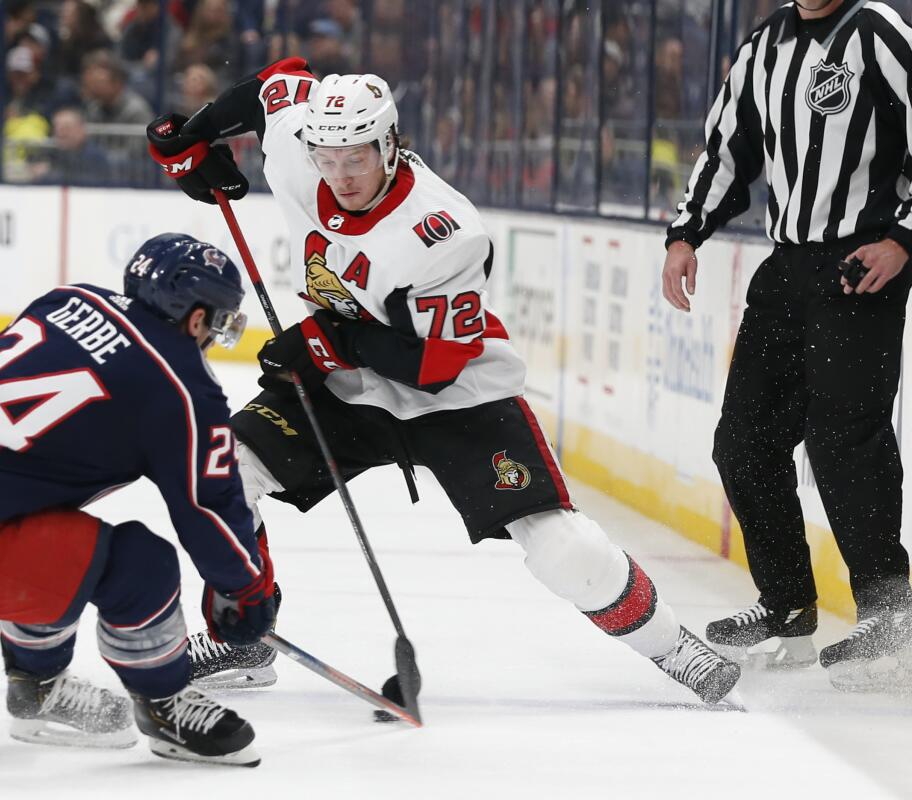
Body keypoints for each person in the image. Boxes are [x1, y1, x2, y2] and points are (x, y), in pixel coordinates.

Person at [145, 57, 741, 705]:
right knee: (223, 473)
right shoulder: (299, 150)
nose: (341, 173)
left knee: (561, 550)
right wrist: (193, 138)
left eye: (358, 156)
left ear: (391, 144)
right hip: (346, 381)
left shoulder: (442, 231)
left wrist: (319, 343)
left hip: (458, 395)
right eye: (328, 156)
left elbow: (435, 364)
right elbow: (277, 84)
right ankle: (243, 637)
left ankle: (674, 647)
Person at [0, 234, 276, 767]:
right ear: (195, 316)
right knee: (141, 566)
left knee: (64, 540)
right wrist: (245, 587)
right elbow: (207, 505)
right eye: (216, 320)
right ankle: (164, 704)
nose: (213, 335)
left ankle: (37, 689)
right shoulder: (184, 387)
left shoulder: (69, 299)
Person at [661, 0, 912, 691]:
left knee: (844, 440)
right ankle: (789, 608)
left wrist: (903, 239)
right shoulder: (764, 43)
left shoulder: (876, 31)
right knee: (743, 444)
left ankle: (893, 621)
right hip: (788, 265)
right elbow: (725, 149)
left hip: (861, 264)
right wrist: (686, 235)